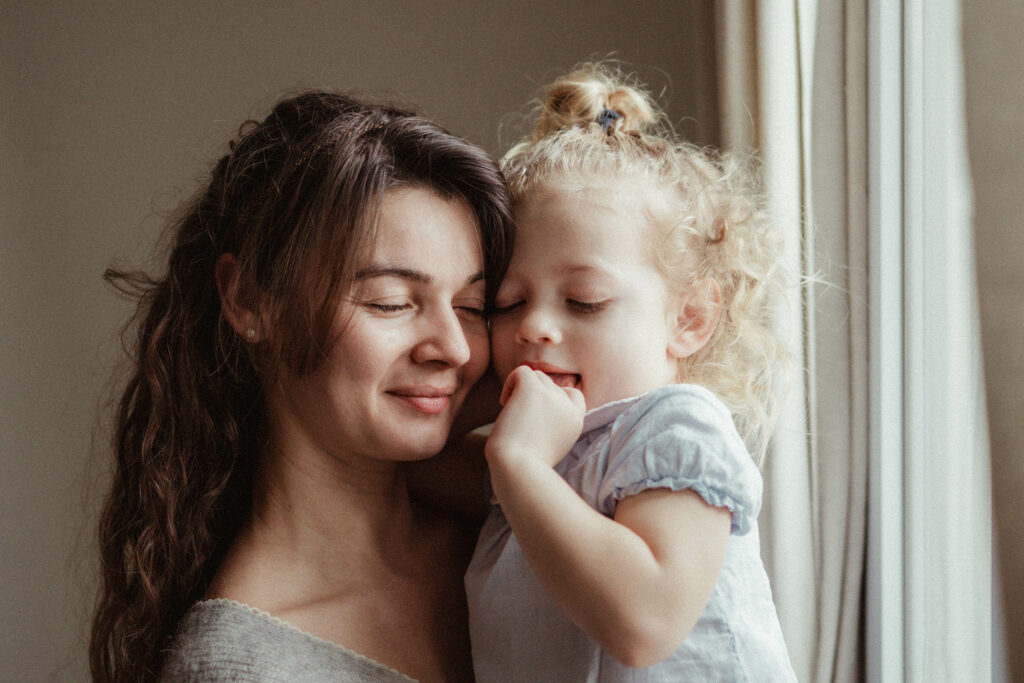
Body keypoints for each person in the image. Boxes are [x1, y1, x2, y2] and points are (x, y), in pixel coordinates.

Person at [90, 90, 513, 682]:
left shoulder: (515, 539)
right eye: (390, 302)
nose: (455, 348)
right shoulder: (242, 668)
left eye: (471, 306)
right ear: (249, 298)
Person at [463, 64, 797, 681]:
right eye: (507, 304)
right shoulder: (537, 453)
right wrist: (487, 392)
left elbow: (645, 623)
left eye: (584, 301)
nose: (534, 326)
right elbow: (395, 474)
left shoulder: (676, 427)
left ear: (689, 318)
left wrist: (520, 464)